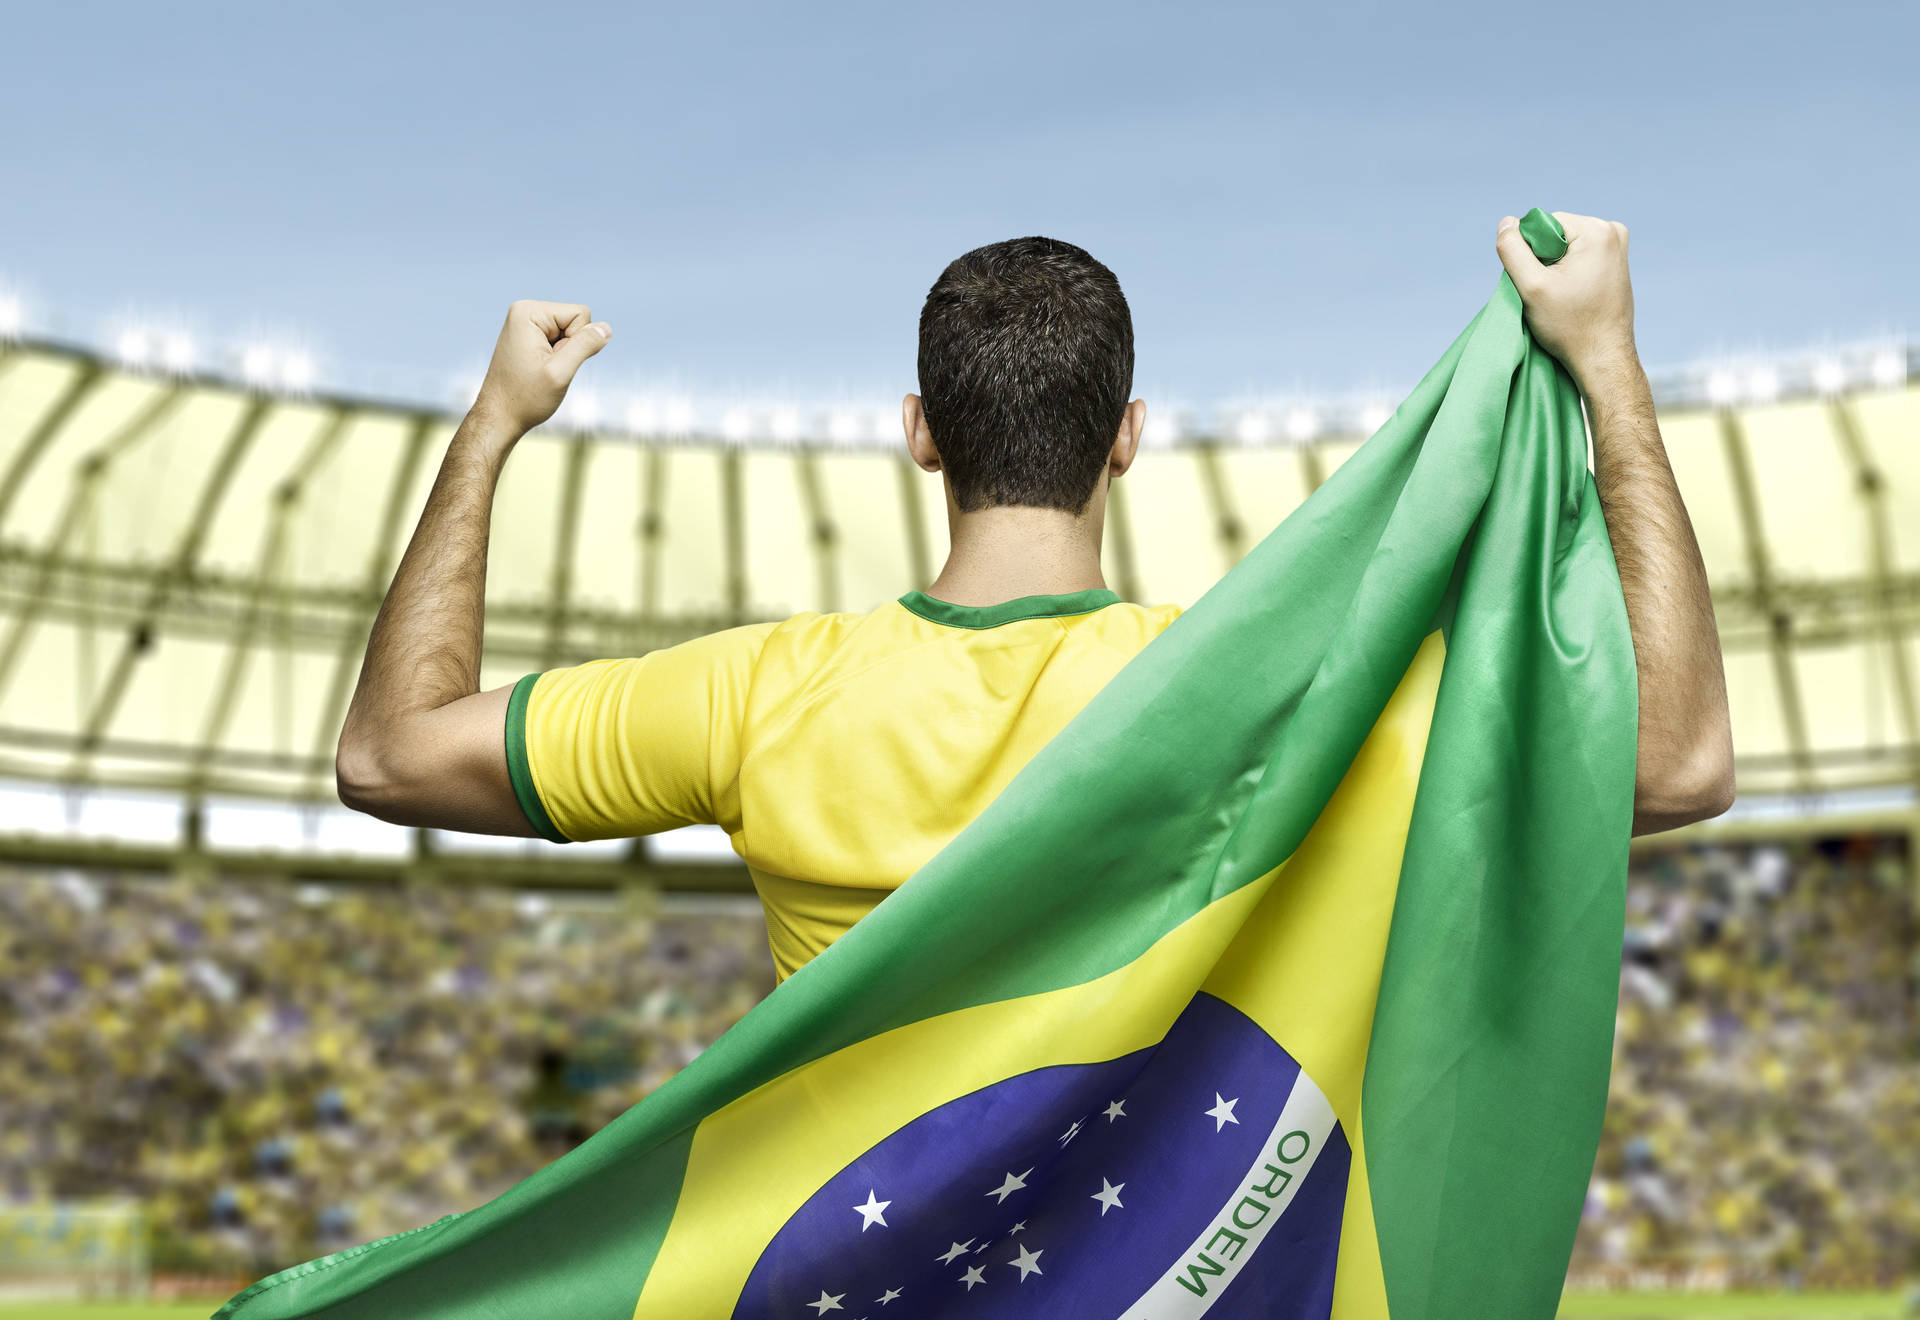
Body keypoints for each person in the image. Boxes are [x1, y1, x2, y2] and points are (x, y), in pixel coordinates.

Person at [334, 219, 1735, 983]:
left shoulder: (759, 697)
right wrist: (1606, 360)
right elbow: (1676, 763)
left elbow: (389, 756)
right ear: (1127, 433)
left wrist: (492, 427)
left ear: (920, 430)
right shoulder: (1265, 707)